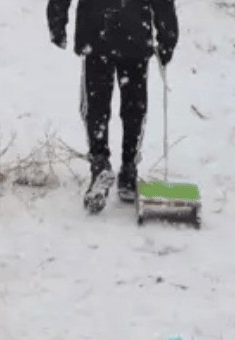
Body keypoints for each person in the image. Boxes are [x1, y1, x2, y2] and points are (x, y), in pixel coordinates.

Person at [47, 0, 178, 214]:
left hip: (97, 31)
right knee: (134, 107)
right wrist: (167, 35)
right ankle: (127, 167)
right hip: (134, 33)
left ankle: (101, 164)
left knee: (97, 107)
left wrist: (57, 21)